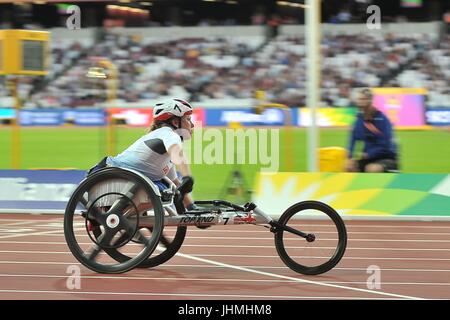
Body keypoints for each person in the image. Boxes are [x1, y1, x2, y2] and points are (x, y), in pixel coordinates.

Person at [88, 98, 197, 211]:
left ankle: (120, 216)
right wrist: (187, 176)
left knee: (165, 189)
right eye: (188, 119)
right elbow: (177, 152)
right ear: (175, 122)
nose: (192, 125)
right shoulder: (168, 133)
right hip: (109, 179)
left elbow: (176, 184)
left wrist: (191, 206)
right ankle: (118, 217)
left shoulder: (162, 152)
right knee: (161, 192)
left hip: (111, 180)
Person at [346, 88, 399, 173]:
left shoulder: (381, 119)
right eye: (359, 99)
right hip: (368, 158)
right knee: (348, 168)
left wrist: (369, 154)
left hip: (387, 158)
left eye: (363, 99)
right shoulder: (359, 120)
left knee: (371, 169)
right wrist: (349, 158)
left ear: (370, 100)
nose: (359, 102)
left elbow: (386, 145)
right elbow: (352, 140)